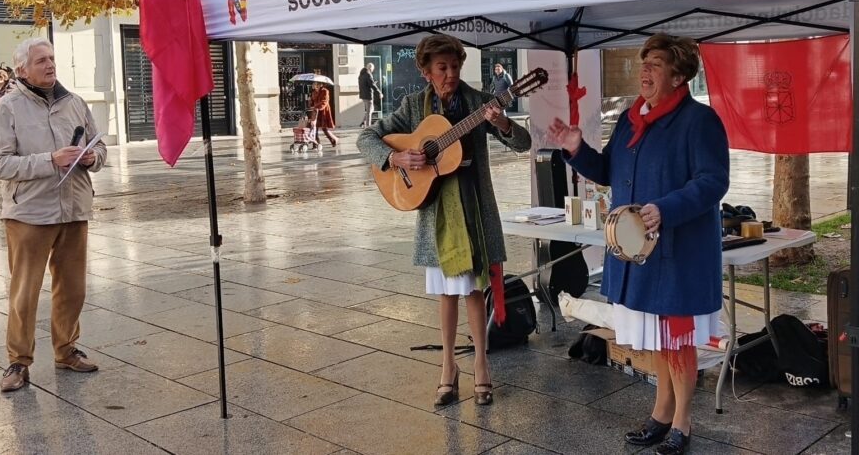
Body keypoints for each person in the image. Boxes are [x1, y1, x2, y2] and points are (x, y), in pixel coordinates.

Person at [547, 33, 728, 455]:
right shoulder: (632, 119)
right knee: (662, 340)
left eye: (655, 63)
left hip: (680, 254)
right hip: (641, 256)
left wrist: (666, 207)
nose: (643, 70)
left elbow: (713, 180)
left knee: (678, 340)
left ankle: (682, 422)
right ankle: (662, 413)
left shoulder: (699, 121)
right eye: (643, 62)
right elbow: (610, 169)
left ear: (679, 73)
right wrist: (577, 149)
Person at [357, 34, 531, 407]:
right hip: (436, 213)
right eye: (442, 68)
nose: (450, 73)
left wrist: (501, 124)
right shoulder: (412, 107)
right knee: (445, 294)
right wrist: (396, 159)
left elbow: (524, 143)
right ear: (425, 72)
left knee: (472, 290)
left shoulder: (480, 102)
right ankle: (447, 366)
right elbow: (367, 136)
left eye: (455, 66)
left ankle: (482, 365)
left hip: (472, 210)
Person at [0, 38, 107, 393]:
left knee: (73, 288)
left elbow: (99, 147)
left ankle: (66, 349)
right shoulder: (7, 108)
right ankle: (18, 363)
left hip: (73, 209)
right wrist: (50, 160)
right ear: (22, 69)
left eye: (52, 58)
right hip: (29, 214)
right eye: (41, 60)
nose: (50, 65)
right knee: (24, 292)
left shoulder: (75, 102)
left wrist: (91, 158)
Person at [310, 81, 338, 147]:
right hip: (316, 112)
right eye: (315, 84)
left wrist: (317, 107)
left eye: (317, 84)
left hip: (323, 112)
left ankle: (333, 140)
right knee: (315, 127)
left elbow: (325, 101)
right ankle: (316, 143)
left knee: (324, 128)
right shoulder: (314, 92)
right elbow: (312, 101)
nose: (315, 85)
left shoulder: (325, 91)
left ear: (321, 84)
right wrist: (311, 102)